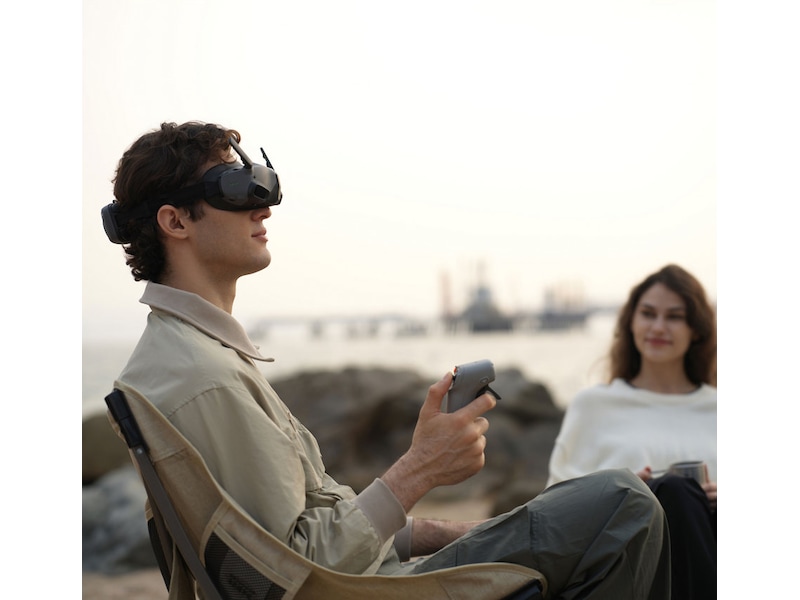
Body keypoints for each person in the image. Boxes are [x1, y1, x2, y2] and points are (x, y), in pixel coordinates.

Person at [103, 121, 671, 599]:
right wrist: (419, 469)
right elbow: (299, 572)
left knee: (660, 500)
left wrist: (453, 531)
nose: (263, 205)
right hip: (376, 590)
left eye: (264, 183)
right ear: (175, 222)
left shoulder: (188, 356)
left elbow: (307, 536)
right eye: (235, 186)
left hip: (375, 574)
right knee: (622, 503)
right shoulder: (204, 378)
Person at [547, 264, 717, 599]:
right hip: (625, 564)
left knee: (681, 495)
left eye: (674, 317)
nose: (658, 327)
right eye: (648, 314)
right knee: (669, 492)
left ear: (696, 329)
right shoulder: (593, 405)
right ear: (631, 322)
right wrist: (618, 492)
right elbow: (553, 507)